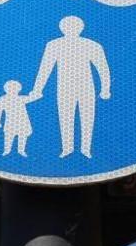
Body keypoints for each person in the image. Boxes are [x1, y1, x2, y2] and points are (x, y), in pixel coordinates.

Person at [30, 16, 110, 158]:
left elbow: (102, 68)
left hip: (86, 87)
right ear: (62, 28)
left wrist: (105, 88)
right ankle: (67, 148)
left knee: (87, 117)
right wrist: (37, 89)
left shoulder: (92, 45)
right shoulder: (54, 45)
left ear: (81, 28)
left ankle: (86, 148)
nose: (70, 29)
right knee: (66, 117)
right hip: (65, 87)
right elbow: (45, 69)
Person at [0, 80, 34, 157]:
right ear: (6, 89)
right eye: (11, 88)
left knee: (23, 136)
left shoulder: (21, 98)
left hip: (22, 121)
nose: (13, 90)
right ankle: (6, 150)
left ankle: (21, 150)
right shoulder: (2, 99)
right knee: (9, 136)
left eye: (15, 89)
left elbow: (31, 98)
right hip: (10, 122)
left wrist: (36, 94)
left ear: (19, 90)